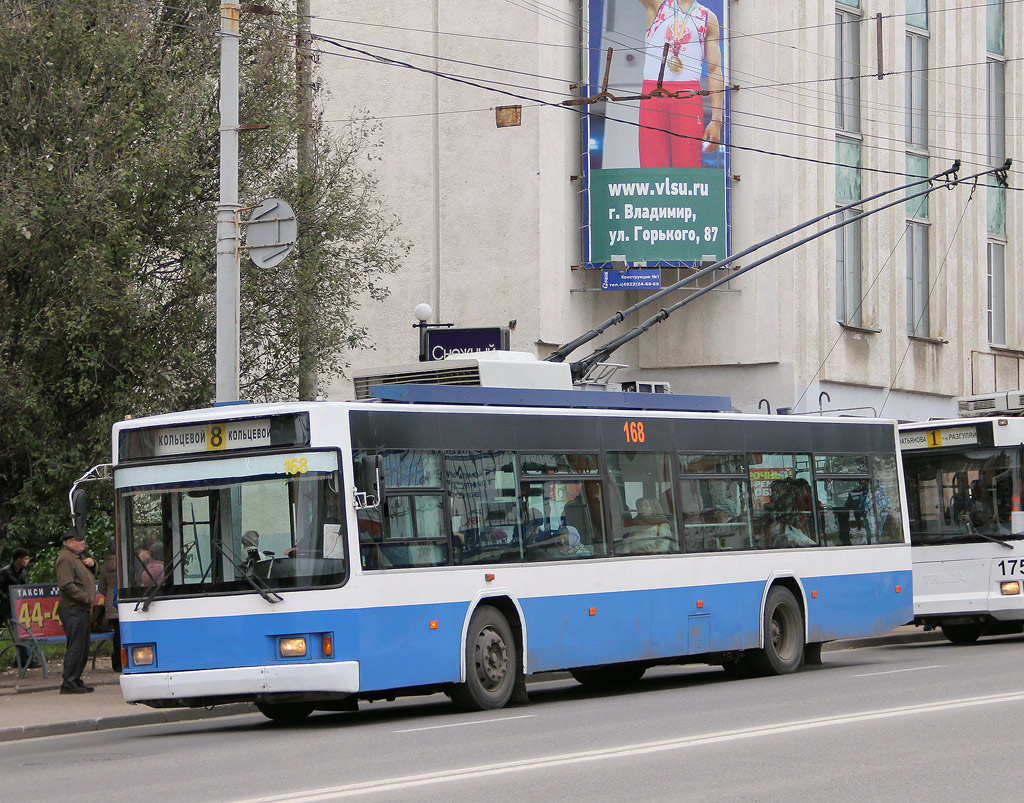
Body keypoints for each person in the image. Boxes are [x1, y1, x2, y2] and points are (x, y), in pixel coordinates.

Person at [637, 0, 724, 168]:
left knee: (688, 163)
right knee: (651, 164)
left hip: (688, 94)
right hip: (653, 92)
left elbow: (715, 71)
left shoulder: (708, 18)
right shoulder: (657, 5)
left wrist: (716, 119)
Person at [55, 529, 96, 694]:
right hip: (73, 608)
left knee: (83, 647)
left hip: (81, 609)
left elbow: (83, 577)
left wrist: (93, 565)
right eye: (79, 540)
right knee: (76, 647)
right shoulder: (65, 558)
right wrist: (84, 598)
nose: (83, 542)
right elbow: (66, 585)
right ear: (70, 542)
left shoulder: (76, 558)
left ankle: (75, 678)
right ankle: (68, 682)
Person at [0, 548, 38, 669]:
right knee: (20, 629)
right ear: (19, 559)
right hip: (9, 606)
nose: (28, 561)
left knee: (25, 630)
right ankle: (27, 659)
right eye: (25, 558)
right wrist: (8, 598)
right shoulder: (4, 572)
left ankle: (22, 658)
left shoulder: (24, 572)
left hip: (22, 606)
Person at [96, 549, 121, 673]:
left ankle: (117, 662)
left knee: (117, 633)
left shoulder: (105, 567)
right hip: (123, 599)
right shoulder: (124, 563)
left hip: (111, 602)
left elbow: (101, 587)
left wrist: (110, 594)